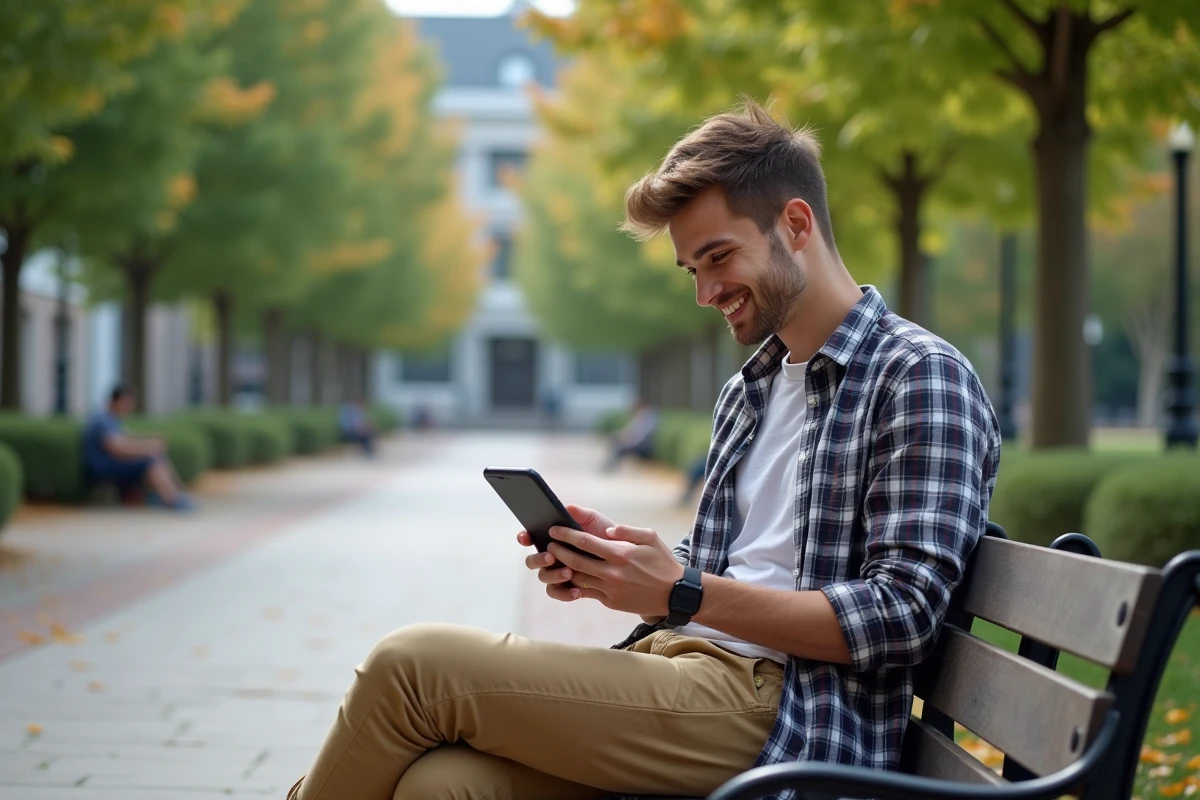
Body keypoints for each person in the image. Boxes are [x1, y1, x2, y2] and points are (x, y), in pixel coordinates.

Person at [286, 99, 1001, 800]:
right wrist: (621, 566)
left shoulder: (918, 375)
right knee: (442, 784)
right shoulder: (751, 389)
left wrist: (682, 591)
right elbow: (729, 572)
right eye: (692, 269)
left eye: (718, 256)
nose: (706, 292)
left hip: (790, 716)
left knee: (411, 667)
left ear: (796, 223)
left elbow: (903, 614)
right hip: (684, 672)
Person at [82, 385, 196, 511]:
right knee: (150, 461)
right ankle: (171, 498)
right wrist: (147, 450)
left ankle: (173, 494)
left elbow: (127, 439)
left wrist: (151, 443)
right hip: (103, 466)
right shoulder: (102, 420)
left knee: (154, 455)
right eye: (126, 404)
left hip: (112, 462)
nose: (128, 409)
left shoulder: (112, 420)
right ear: (115, 401)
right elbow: (116, 449)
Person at [603, 398, 657, 471]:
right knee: (616, 440)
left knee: (621, 448)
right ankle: (611, 465)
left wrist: (628, 441)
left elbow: (640, 436)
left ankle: (611, 466)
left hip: (644, 446)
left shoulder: (646, 417)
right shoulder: (641, 416)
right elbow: (631, 430)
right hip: (638, 443)